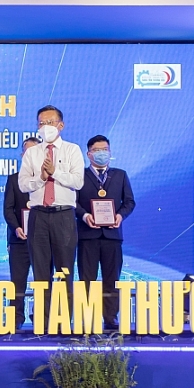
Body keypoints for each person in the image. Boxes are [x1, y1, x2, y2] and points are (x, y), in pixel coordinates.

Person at [18, 106, 84, 329]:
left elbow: (78, 182)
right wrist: (41, 178)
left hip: (63, 215)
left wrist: (55, 172)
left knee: (64, 271)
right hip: (38, 215)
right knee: (40, 272)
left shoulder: (72, 150)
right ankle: (43, 323)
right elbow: (23, 184)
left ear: (60, 125)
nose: (45, 127)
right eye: (41, 123)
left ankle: (63, 322)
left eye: (50, 122)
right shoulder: (32, 153)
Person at [75, 135, 136, 331]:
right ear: (89, 154)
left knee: (112, 278)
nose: (102, 153)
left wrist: (120, 216)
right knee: (87, 279)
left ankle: (111, 317)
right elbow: (72, 202)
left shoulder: (120, 175)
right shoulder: (79, 175)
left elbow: (129, 202)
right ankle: (87, 317)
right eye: (97, 150)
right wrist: (85, 216)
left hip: (112, 235)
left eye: (105, 150)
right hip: (87, 235)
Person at [3, 136, 39, 330]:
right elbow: (8, 209)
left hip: (42, 241)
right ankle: (16, 318)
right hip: (19, 240)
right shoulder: (13, 179)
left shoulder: (49, 180)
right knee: (17, 282)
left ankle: (40, 316)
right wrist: (16, 227)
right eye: (27, 151)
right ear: (22, 155)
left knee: (42, 281)